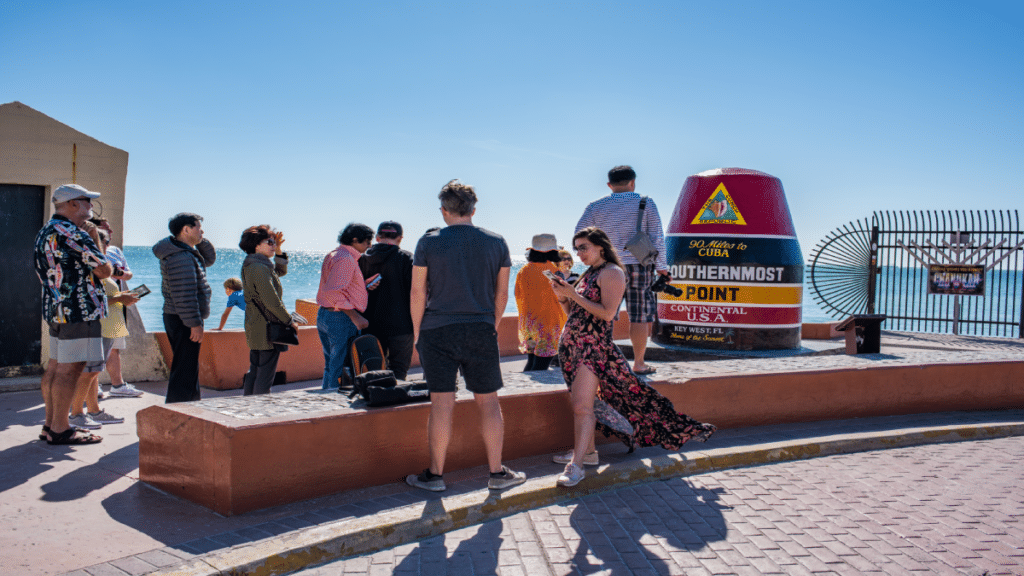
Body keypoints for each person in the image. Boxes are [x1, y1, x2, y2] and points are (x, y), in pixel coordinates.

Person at [549, 227, 715, 487]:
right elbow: (576, 313)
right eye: (577, 248)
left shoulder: (612, 273)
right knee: (584, 405)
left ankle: (577, 466)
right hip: (573, 348)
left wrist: (573, 295)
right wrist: (562, 298)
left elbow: (607, 313)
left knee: (582, 406)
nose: (579, 253)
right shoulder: (588, 274)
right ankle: (588, 453)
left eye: (584, 247)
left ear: (601, 247)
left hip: (593, 350)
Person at [405, 179, 527, 492]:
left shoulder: (428, 241)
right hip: (480, 328)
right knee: (488, 403)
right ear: (473, 209)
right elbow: (502, 294)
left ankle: (435, 476)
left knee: (442, 404)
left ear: (444, 210)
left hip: (437, 330)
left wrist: (418, 332)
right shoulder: (497, 242)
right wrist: (492, 325)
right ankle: (497, 474)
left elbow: (418, 291)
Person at [33, 184, 114, 445]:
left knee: (56, 367)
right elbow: (104, 270)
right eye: (87, 201)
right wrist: (96, 239)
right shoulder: (73, 233)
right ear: (72, 205)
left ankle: (50, 424)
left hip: (56, 307)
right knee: (71, 369)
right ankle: (60, 428)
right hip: (79, 310)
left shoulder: (45, 231)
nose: (91, 207)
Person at [575, 165, 669, 375]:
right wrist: (662, 268)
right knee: (640, 317)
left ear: (609, 185)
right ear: (633, 182)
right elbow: (657, 237)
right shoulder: (646, 202)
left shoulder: (595, 207)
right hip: (640, 266)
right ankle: (639, 363)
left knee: (603, 315)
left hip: (608, 266)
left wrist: (591, 257)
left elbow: (580, 234)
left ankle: (601, 364)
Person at [69, 228, 139, 429]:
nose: (107, 245)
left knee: (94, 372)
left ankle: (93, 411)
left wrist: (122, 299)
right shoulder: (93, 267)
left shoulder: (101, 266)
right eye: (104, 241)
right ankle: (76, 414)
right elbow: (88, 299)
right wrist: (120, 298)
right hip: (97, 326)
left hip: (106, 326)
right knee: (89, 372)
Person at [153, 212, 216, 403]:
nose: (202, 230)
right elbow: (184, 294)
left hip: (180, 317)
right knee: (184, 369)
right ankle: (178, 410)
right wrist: (194, 323)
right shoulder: (180, 257)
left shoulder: (186, 252)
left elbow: (210, 259)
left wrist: (200, 240)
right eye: (198, 227)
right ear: (186, 229)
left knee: (188, 367)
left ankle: (191, 406)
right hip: (182, 319)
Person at [89, 216, 144, 398]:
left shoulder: (114, 251)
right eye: (105, 230)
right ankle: (92, 389)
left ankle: (117, 385)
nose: (110, 233)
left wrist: (117, 273)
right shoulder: (89, 255)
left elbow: (127, 274)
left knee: (114, 347)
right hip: (100, 310)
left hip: (115, 307)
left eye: (110, 229)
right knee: (95, 351)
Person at [316, 223, 373, 390]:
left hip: (325, 314)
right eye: (367, 242)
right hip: (340, 317)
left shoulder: (334, 254)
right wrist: (355, 316)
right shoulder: (346, 259)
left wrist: (363, 286)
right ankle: (333, 404)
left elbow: (334, 287)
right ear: (355, 240)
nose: (369, 246)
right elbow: (333, 291)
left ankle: (327, 394)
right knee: (339, 366)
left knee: (331, 365)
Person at [239, 225, 293, 395]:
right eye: (270, 242)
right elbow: (272, 302)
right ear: (256, 244)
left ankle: (249, 406)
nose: (273, 245)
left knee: (255, 370)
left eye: (274, 242)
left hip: (256, 325)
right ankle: (259, 410)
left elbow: (280, 272)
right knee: (265, 375)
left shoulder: (256, 264)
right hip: (266, 327)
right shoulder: (259, 267)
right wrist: (289, 321)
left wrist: (279, 250)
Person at [358, 221, 415, 380]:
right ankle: (396, 401)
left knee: (371, 370)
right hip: (402, 325)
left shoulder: (362, 260)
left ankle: (373, 400)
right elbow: (416, 292)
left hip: (370, 324)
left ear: (377, 237)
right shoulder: (407, 259)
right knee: (399, 371)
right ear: (400, 238)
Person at [514, 234, 567, 371]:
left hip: (529, 323)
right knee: (541, 366)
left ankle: (524, 389)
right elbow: (562, 295)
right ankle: (532, 391)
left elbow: (518, 295)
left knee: (531, 362)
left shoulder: (523, 270)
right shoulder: (552, 272)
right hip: (547, 324)